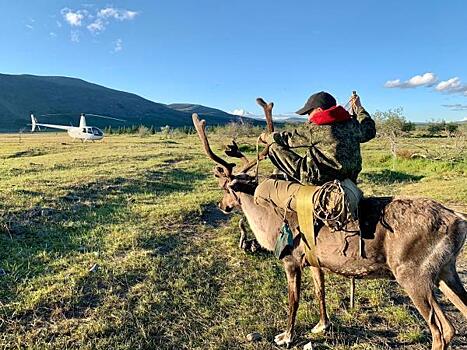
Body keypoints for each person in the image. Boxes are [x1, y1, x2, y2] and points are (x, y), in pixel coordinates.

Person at [254, 91, 375, 213]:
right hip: (350, 177)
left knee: (274, 147)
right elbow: (369, 129)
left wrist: (267, 137)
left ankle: (300, 185)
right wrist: (359, 108)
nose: (308, 117)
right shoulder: (352, 124)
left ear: (319, 110)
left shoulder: (316, 127)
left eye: (308, 112)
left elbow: (288, 139)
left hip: (319, 179)